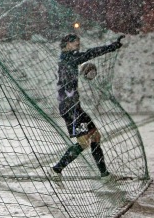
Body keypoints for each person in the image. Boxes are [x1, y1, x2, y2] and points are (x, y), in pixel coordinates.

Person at [51, 33, 125, 184]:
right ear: (66, 44)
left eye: (78, 41)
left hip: (74, 107)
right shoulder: (68, 59)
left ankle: (104, 175)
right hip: (70, 109)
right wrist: (111, 47)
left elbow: (87, 54)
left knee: (95, 137)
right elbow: (90, 53)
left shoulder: (68, 58)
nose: (77, 43)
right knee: (84, 142)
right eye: (74, 42)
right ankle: (56, 169)